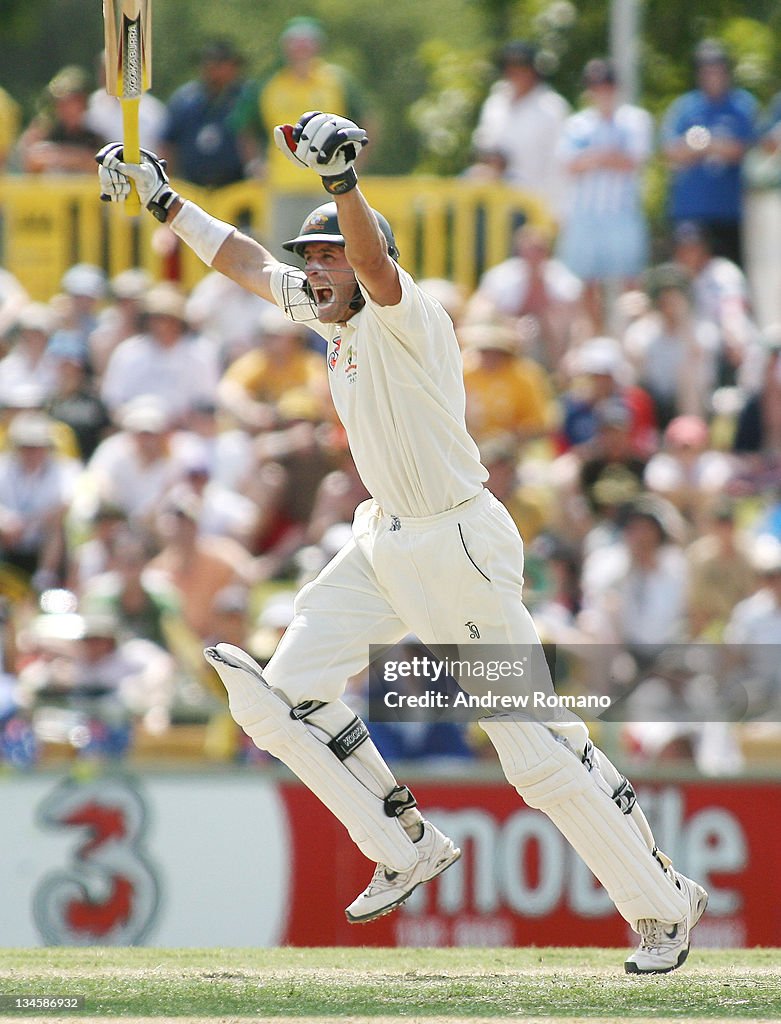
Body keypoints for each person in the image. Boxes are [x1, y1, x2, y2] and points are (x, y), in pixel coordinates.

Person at [95, 110, 708, 973]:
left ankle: (662, 907)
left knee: (532, 751)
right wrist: (165, 203)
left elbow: (376, 267)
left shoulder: (402, 314)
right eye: (310, 257)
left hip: (458, 548)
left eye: (327, 254)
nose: (315, 269)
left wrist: (340, 182)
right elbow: (244, 261)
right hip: (383, 541)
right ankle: (404, 842)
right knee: (278, 694)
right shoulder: (330, 316)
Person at [232, 16, 365, 253]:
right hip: (282, 185)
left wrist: (357, 163)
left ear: (317, 46)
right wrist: (255, 163)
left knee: (332, 250)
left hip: (328, 182)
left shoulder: (336, 80)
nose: (300, 50)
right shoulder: (269, 83)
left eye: (306, 44)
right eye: (295, 44)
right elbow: (243, 124)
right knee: (284, 254)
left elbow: (366, 121)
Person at [556, 59, 653, 333]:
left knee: (630, 279)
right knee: (586, 281)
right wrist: (606, 156)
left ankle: (632, 334)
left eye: (607, 85)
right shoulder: (578, 123)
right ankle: (596, 334)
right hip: (586, 213)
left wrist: (594, 157)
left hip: (622, 211)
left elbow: (633, 161)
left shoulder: (635, 119)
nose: (602, 91)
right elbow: (569, 164)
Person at [660, 40, 758, 267]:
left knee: (729, 274)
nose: (713, 75)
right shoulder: (685, 107)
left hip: (729, 212)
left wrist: (702, 144)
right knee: (687, 275)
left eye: (718, 69)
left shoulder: (741, 105)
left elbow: (743, 148)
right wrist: (714, 145)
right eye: (706, 70)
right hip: (690, 210)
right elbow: (671, 152)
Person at [470, 41, 569, 220]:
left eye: (522, 66)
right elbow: (483, 144)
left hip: (532, 204)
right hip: (493, 202)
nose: (516, 73)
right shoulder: (495, 103)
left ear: (534, 70)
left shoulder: (551, 108)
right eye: (510, 67)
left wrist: (556, 211)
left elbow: (559, 162)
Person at [160, 39, 247, 188]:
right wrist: (164, 182)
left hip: (238, 186)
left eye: (220, 64)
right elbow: (168, 143)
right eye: (209, 63)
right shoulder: (185, 99)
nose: (213, 69)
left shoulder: (245, 98)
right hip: (192, 185)